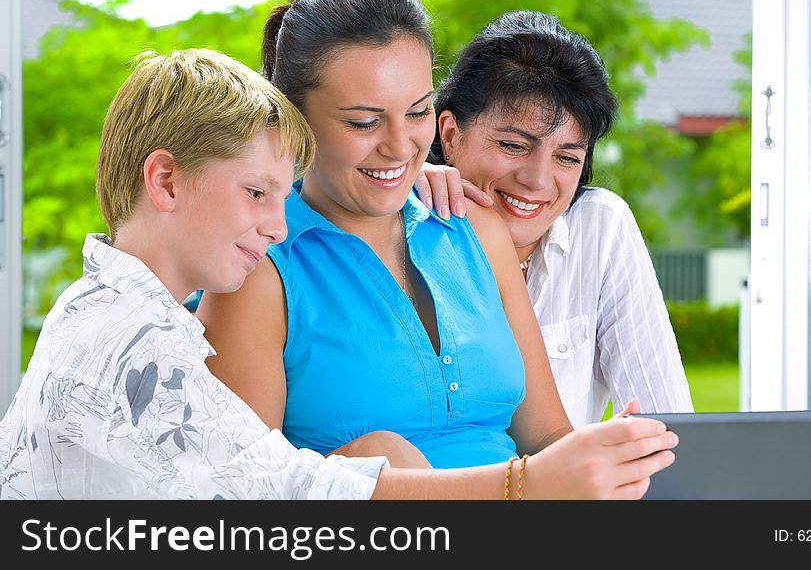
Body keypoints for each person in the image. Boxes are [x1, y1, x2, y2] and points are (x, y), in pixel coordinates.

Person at [0, 47, 677, 500]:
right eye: (257, 193)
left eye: (280, 195)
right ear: (166, 180)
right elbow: (275, 489)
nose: (277, 224)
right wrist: (521, 483)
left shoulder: (121, 317)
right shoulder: (126, 344)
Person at [198, 0, 676, 491]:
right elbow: (245, 498)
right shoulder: (257, 267)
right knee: (377, 453)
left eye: (418, 111)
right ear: (295, 120)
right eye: (364, 122)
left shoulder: (476, 230)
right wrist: (520, 489)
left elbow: (547, 438)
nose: (401, 147)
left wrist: (609, 460)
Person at [418, 10, 693, 427]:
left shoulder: (600, 227)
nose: (537, 180)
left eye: (567, 157)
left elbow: (666, 421)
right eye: (513, 145)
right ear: (451, 135)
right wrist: (397, 187)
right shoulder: (402, 221)